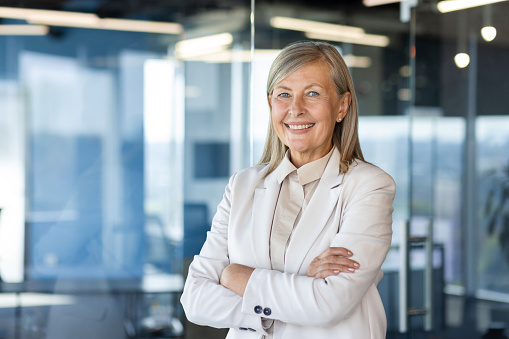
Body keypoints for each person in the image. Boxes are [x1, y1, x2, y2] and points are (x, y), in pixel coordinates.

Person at [180, 40, 396, 339]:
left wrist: (235, 276)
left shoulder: (369, 186)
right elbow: (194, 299)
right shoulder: (242, 185)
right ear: (271, 104)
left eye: (312, 93)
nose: (295, 109)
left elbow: (327, 303)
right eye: (284, 94)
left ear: (342, 106)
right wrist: (298, 285)